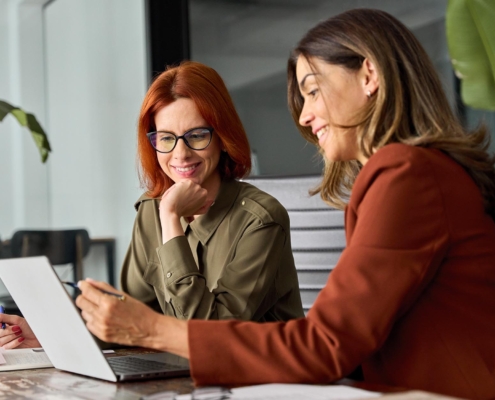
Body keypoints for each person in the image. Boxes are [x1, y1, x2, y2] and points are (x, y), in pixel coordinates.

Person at [5, 8, 495, 399]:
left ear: (369, 74)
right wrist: (53, 330)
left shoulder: (407, 174)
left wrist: (153, 329)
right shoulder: (407, 176)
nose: (305, 115)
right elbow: (134, 312)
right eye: (165, 139)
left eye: (311, 89)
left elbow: (323, 345)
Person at [0, 61, 304, 347]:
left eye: (197, 135)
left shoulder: (260, 219)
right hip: (176, 376)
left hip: (257, 381)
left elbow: (208, 335)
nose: (180, 154)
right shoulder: (150, 209)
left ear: (222, 137)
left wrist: (171, 220)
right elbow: (130, 317)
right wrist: (50, 334)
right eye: (166, 138)